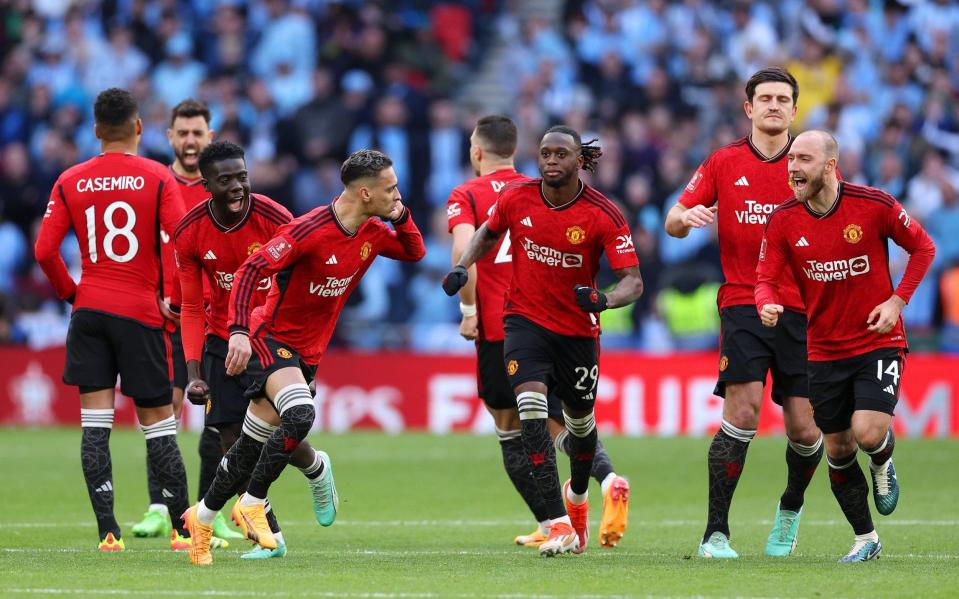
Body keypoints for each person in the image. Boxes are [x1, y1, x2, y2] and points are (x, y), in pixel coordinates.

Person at [182, 149, 425, 565]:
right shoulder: (308, 230)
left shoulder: (371, 231)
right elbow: (250, 271)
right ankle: (254, 502)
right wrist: (239, 331)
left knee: (247, 443)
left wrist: (400, 216)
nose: (397, 194)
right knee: (300, 415)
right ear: (366, 193)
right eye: (391, 189)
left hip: (308, 352)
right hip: (268, 337)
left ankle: (201, 521)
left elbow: (414, 251)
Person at [443, 126, 643, 556]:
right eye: (545, 153)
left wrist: (603, 299)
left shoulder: (603, 213)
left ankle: (578, 503)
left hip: (577, 332)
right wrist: (463, 266)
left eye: (561, 154)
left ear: (578, 161)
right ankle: (557, 523)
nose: (551, 160)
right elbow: (487, 232)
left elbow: (634, 282)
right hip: (523, 323)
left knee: (579, 426)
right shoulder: (517, 198)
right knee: (531, 409)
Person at [664, 67, 824, 559]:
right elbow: (672, 219)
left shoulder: (813, 165)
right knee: (743, 413)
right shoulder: (722, 162)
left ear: (794, 109)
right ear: (749, 108)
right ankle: (716, 534)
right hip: (742, 301)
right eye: (765, 98)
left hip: (803, 310)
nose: (774, 105)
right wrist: (685, 220)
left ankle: (790, 509)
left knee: (805, 428)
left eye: (783, 99)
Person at [756, 130, 935, 562]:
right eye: (790, 159)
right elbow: (765, 278)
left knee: (868, 432)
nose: (792, 167)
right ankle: (866, 539)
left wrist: (897, 300)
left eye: (803, 159)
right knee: (836, 449)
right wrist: (766, 303)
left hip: (877, 340)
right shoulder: (782, 219)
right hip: (822, 349)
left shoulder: (874, 205)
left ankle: (882, 460)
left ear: (830, 166)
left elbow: (923, 248)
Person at [34, 88, 190, 551]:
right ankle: (184, 533)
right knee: (159, 426)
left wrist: (71, 293)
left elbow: (45, 251)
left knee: (94, 426)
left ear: (97, 130)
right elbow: (178, 245)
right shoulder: (159, 177)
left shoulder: (70, 179)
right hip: (140, 313)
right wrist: (173, 300)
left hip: (91, 310)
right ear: (139, 127)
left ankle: (108, 532)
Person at [175, 140, 338, 559]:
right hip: (218, 340)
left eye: (242, 177)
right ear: (206, 183)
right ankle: (272, 536)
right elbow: (192, 305)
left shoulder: (275, 217)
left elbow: (293, 286)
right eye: (225, 179)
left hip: (268, 338)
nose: (236, 187)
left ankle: (316, 467)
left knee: (275, 428)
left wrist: (247, 330)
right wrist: (193, 372)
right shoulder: (190, 231)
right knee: (233, 441)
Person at [132, 98, 245, 543]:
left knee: (212, 419)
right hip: (161, 319)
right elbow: (139, 249)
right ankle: (160, 508)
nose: (191, 140)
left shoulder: (221, 187)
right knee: (163, 413)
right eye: (183, 133)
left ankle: (208, 510)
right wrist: (153, 293)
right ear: (170, 136)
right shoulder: (156, 184)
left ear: (210, 136)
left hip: (210, 322)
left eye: (199, 132)